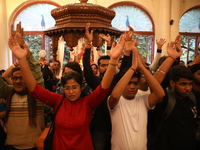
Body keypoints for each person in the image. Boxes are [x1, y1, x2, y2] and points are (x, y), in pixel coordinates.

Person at [9, 23, 126, 150]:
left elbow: (104, 88)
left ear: (81, 87)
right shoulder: (57, 100)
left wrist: (113, 60)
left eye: (74, 87)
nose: (71, 92)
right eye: (67, 88)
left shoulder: (88, 103)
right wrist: (22, 59)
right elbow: (34, 88)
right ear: (63, 88)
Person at [107, 43, 165, 150]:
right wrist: (133, 68)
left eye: (135, 83)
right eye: (128, 83)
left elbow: (160, 94)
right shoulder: (116, 101)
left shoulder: (143, 101)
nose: (132, 87)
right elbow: (114, 96)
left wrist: (142, 68)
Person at [1, 22, 45, 150]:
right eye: (15, 78)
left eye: (22, 78)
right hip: (11, 145)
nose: (18, 81)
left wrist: (23, 48)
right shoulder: (9, 92)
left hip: (34, 145)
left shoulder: (37, 93)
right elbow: (2, 79)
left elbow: (36, 72)